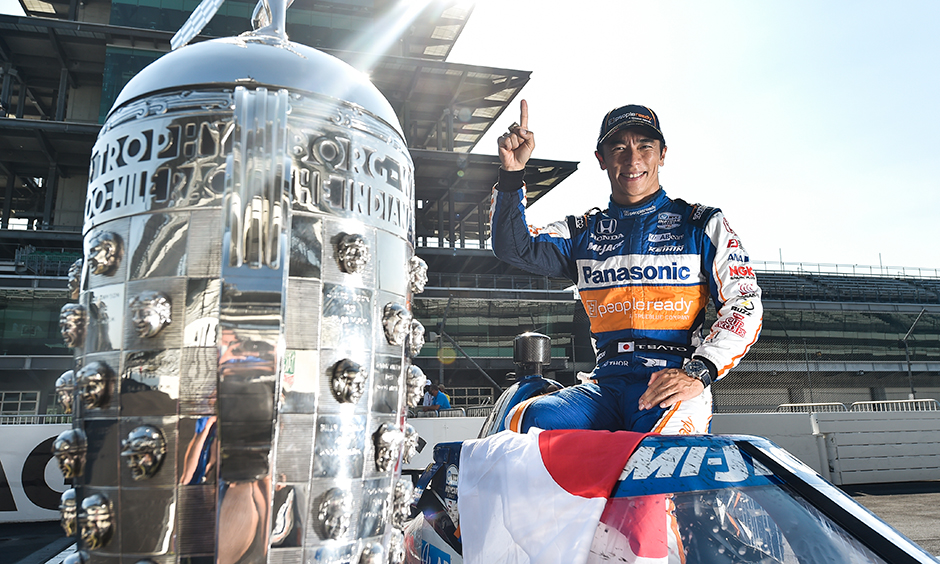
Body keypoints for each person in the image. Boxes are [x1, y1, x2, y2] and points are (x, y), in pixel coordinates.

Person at [492, 100, 762, 435]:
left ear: (662, 154)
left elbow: (744, 303)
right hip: (604, 385)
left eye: (645, 147)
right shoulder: (581, 232)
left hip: (670, 383)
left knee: (656, 461)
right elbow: (514, 247)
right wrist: (512, 174)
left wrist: (701, 370)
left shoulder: (703, 224)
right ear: (601, 159)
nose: (633, 160)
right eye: (619, 148)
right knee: (523, 424)